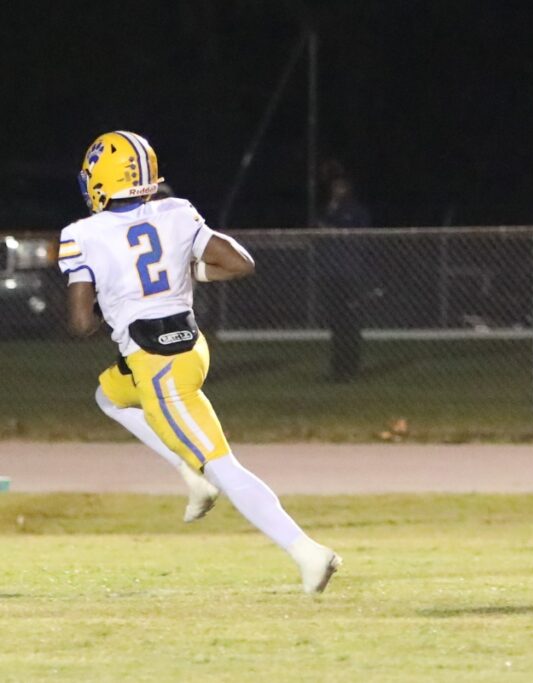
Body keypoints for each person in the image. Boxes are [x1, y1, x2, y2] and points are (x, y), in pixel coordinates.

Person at [61, 131, 340, 593]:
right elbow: (240, 263)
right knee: (109, 395)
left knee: (223, 465)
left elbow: (79, 322)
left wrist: (109, 296)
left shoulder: (81, 235)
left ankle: (308, 551)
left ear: (101, 180)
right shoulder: (176, 211)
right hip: (191, 348)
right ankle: (192, 476)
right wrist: (184, 272)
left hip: (157, 365)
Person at [316, 163, 373, 382]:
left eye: (341, 187)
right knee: (336, 323)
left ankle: (351, 367)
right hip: (331, 274)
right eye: (334, 187)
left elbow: (357, 235)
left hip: (350, 274)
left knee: (351, 322)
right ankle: (337, 369)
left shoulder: (356, 211)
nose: (337, 191)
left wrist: (333, 229)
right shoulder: (329, 210)